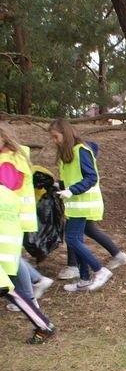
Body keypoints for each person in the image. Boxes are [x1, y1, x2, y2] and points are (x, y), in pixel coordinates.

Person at [49, 119, 114, 291]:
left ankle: (100, 270)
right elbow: (70, 179)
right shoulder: (67, 155)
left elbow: (91, 177)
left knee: (71, 238)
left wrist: (72, 191)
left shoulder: (82, 151)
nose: (54, 141)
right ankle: (84, 279)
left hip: (83, 203)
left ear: (66, 134)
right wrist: (59, 186)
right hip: (75, 205)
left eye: (56, 137)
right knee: (75, 239)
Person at [0, 125, 54, 309]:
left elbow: (5, 189)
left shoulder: (8, 160)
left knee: (12, 258)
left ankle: (30, 297)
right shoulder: (11, 156)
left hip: (11, 218)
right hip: (13, 216)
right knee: (12, 257)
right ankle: (32, 289)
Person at [0, 183, 56, 344]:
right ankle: (44, 324)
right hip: (10, 249)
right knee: (12, 293)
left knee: (12, 292)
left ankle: (44, 325)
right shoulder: (8, 194)